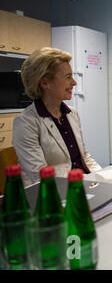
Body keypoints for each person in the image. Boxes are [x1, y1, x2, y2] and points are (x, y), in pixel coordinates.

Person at [13, 47, 101, 187]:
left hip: (82, 185)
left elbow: (84, 157)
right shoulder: (26, 123)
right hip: (53, 194)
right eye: (68, 77)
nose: (74, 82)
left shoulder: (72, 113)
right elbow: (40, 176)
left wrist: (104, 179)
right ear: (45, 83)